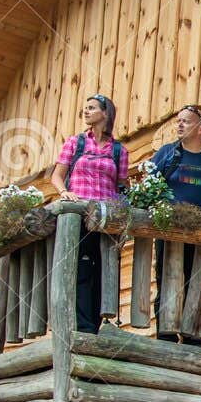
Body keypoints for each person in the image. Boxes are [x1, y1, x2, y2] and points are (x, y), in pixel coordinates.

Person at [149, 104, 201, 342]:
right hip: (171, 230)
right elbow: (150, 189)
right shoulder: (167, 153)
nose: (180, 124)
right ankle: (166, 339)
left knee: (196, 283)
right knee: (168, 281)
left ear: (200, 128)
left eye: (186, 121)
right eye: (178, 121)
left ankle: (193, 341)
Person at [49, 94, 127, 332]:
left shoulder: (118, 150)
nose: (86, 112)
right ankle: (82, 327)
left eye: (92, 108)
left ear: (105, 114)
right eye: (85, 108)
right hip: (79, 218)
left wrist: (125, 215)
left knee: (103, 269)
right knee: (82, 269)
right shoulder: (76, 143)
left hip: (107, 220)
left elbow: (122, 186)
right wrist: (65, 193)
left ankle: (97, 325)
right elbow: (57, 176)